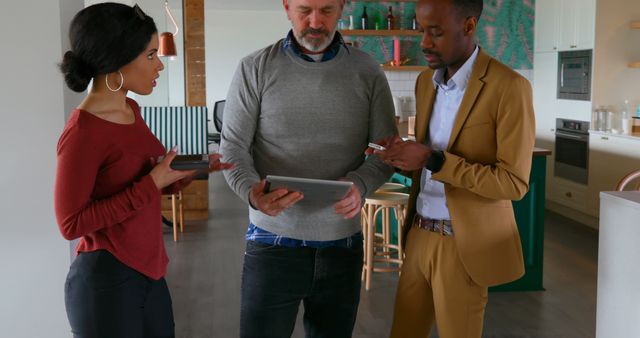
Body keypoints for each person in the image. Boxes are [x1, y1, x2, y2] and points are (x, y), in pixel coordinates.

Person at [219, 0, 397, 336]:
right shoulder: (254, 67)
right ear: (286, 7)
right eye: (305, 10)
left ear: (342, 7)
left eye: (327, 10)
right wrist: (251, 193)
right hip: (272, 240)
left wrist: (360, 183)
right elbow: (233, 147)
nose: (315, 22)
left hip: (342, 245)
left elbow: (385, 151)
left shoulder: (368, 69)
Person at [54, 3, 232, 337]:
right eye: (150, 55)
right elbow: (70, 223)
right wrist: (152, 184)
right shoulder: (82, 132)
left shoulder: (131, 109)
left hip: (150, 270)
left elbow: (143, 180)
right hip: (106, 280)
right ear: (116, 60)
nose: (159, 65)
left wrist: (184, 172)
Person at [372, 0, 536, 337]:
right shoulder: (424, 83)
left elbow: (513, 183)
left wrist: (433, 160)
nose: (425, 43)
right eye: (421, 31)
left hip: (462, 244)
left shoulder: (510, 87)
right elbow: (426, 164)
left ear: (469, 26)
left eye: (436, 32)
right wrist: (402, 156)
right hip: (417, 234)